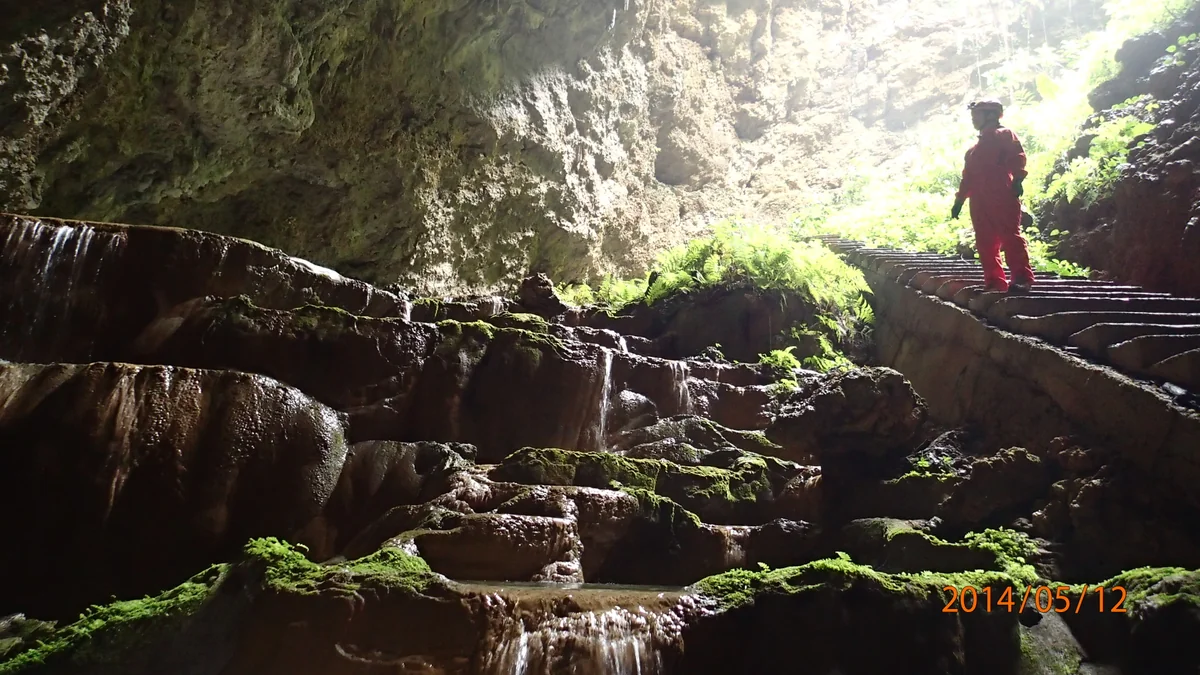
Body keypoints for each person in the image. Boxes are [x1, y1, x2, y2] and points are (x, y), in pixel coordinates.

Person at [951, 99, 1035, 293]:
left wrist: (1017, 179)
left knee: (1010, 236)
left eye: (976, 116)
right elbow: (968, 178)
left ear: (990, 115)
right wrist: (959, 200)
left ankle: (1021, 278)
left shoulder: (1004, 134)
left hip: (1001, 192)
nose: (973, 120)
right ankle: (994, 282)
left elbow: (1017, 156)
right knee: (985, 241)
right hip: (979, 200)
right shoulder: (972, 151)